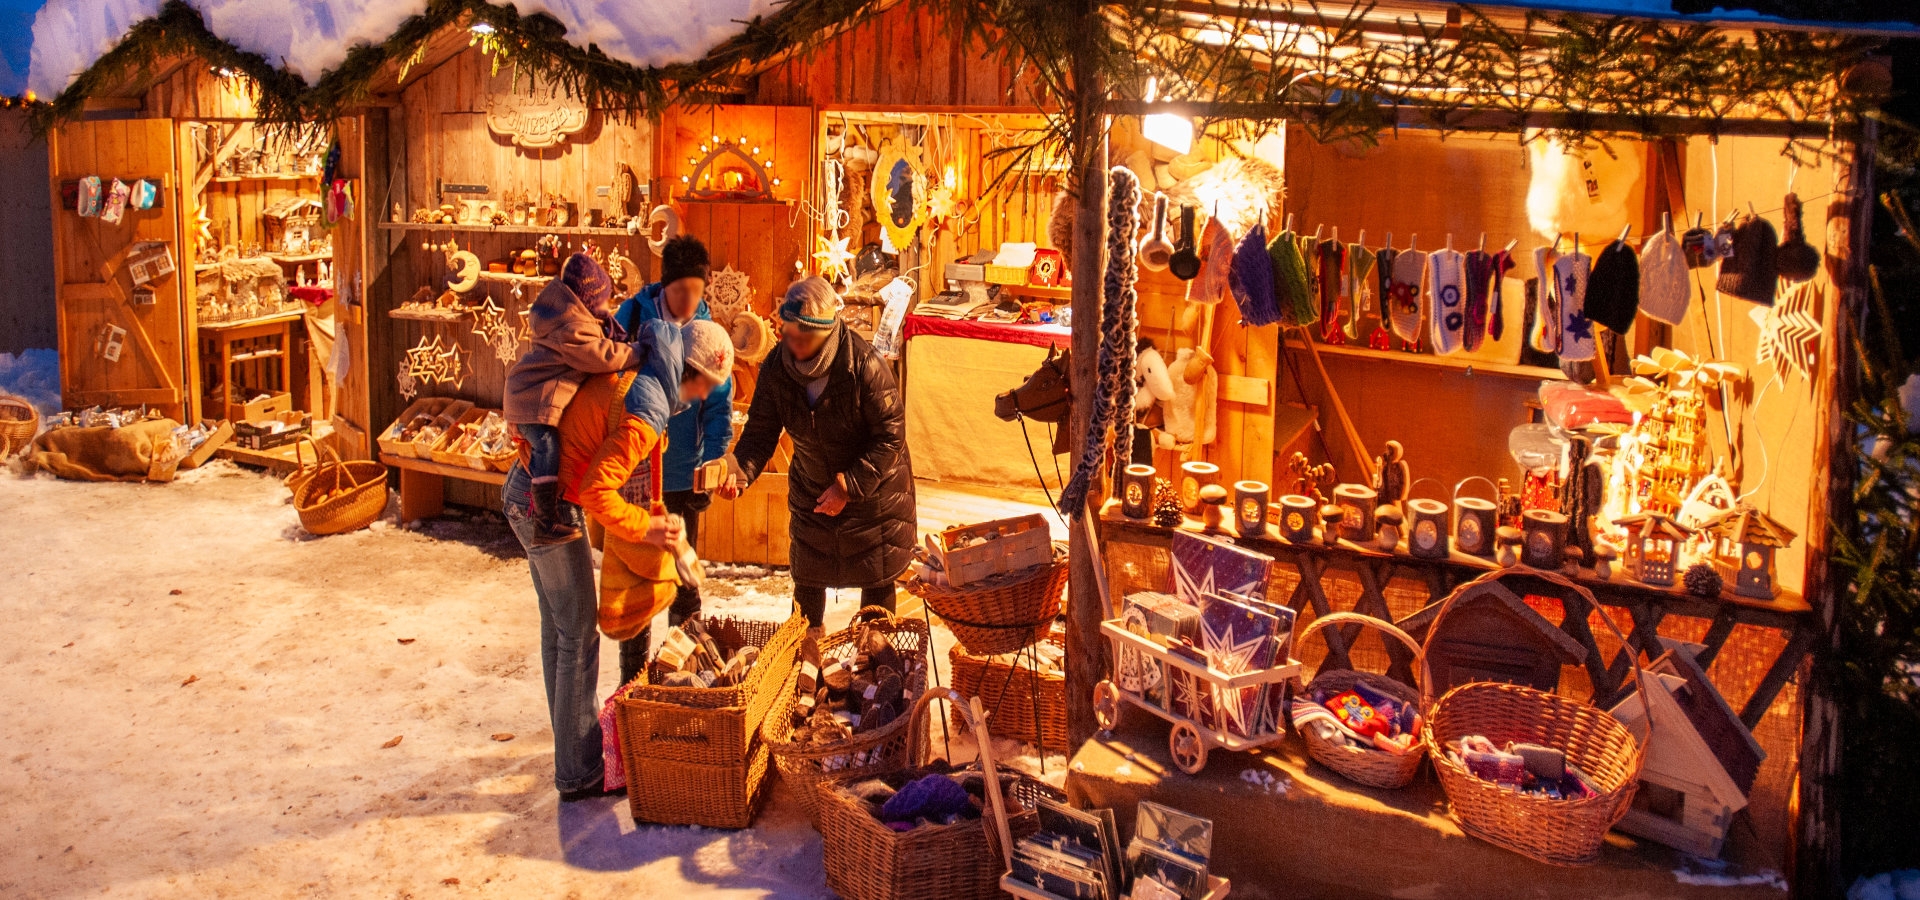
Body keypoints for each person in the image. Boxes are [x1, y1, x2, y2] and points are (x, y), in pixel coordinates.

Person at [501, 314, 734, 802]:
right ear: (688, 375)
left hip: (530, 491)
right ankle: (578, 771)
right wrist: (647, 528)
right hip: (545, 506)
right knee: (578, 636)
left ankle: (572, 756)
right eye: (703, 388)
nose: (698, 400)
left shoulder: (640, 380)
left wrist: (657, 521)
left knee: (561, 633)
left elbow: (622, 480)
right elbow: (596, 492)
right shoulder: (643, 412)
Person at [725, 277, 915, 636]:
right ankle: (806, 665)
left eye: (802, 337)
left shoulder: (864, 366)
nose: (792, 344)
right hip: (813, 492)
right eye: (787, 335)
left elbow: (891, 435)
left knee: (875, 589)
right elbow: (762, 430)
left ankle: (874, 673)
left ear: (826, 332)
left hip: (873, 499)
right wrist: (742, 471)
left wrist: (849, 486)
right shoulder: (776, 370)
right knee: (808, 584)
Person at [611, 236, 732, 655]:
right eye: (681, 290)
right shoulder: (633, 317)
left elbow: (718, 402)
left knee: (684, 578)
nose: (688, 300)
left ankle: (684, 669)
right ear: (665, 286)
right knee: (640, 578)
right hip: (637, 469)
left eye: (697, 291)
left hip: (683, 470)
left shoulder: (705, 330)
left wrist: (714, 461)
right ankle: (634, 676)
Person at [504, 253, 640, 545]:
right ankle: (546, 520)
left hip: (529, 396)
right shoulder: (572, 328)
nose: (606, 308)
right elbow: (599, 356)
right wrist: (636, 352)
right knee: (547, 446)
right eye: (602, 301)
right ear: (587, 300)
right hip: (529, 401)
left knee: (547, 445)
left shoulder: (572, 321)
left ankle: (546, 518)